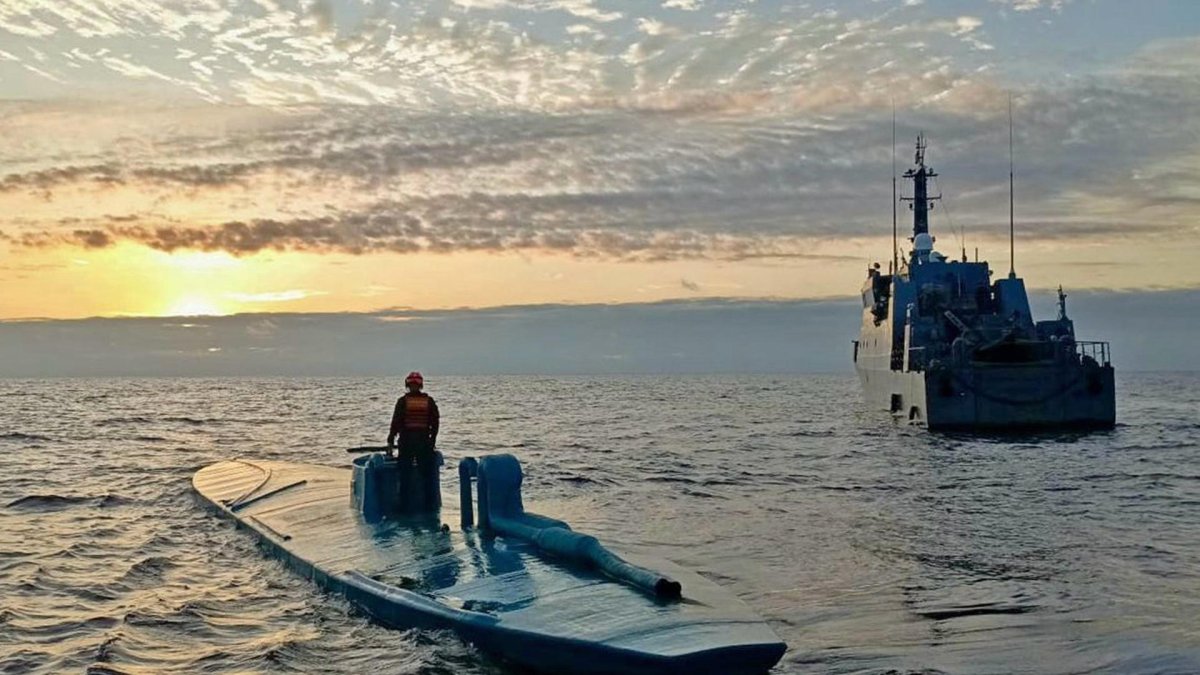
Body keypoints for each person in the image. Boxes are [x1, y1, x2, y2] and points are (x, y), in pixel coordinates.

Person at [387, 371, 440, 510]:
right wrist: (432, 440)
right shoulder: (428, 401)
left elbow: (395, 423)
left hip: (410, 442)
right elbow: (435, 423)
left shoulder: (403, 401)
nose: (414, 387)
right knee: (423, 474)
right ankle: (428, 505)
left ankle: (405, 505)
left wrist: (391, 439)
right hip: (420, 442)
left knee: (406, 475)